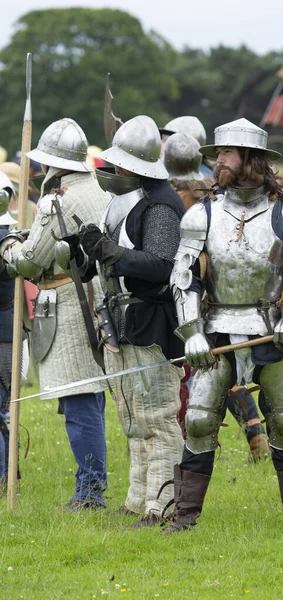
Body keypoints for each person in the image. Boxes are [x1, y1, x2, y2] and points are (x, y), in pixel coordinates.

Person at [164, 118, 283, 536]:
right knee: (199, 420)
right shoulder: (201, 213)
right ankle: (183, 521)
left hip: (272, 326)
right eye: (217, 154)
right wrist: (192, 332)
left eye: (226, 154)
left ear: (250, 160)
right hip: (216, 324)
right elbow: (184, 278)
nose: (217, 161)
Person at [78, 115, 185, 527]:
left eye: (121, 162)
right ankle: (138, 499)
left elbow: (161, 264)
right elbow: (109, 257)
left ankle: (164, 503)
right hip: (122, 318)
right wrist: (88, 251)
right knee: (132, 417)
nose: (114, 169)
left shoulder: (161, 203)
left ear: (137, 165)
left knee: (157, 415)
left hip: (152, 319)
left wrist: (110, 252)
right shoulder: (127, 198)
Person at [0, 118, 110, 510]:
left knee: (80, 403)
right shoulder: (98, 188)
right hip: (94, 298)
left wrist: (9, 245)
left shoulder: (57, 199)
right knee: (89, 399)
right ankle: (90, 484)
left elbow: (32, 262)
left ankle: (91, 492)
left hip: (67, 303)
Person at [164, 131, 269, 462]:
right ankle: (252, 432)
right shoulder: (211, 183)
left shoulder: (199, 190)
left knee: (215, 369)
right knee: (218, 369)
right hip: (197, 291)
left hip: (215, 296)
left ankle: (248, 433)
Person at [0, 171, 29, 495]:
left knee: (1, 411)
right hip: (8, 334)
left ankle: (4, 477)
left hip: (4, 336)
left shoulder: (5, 239)